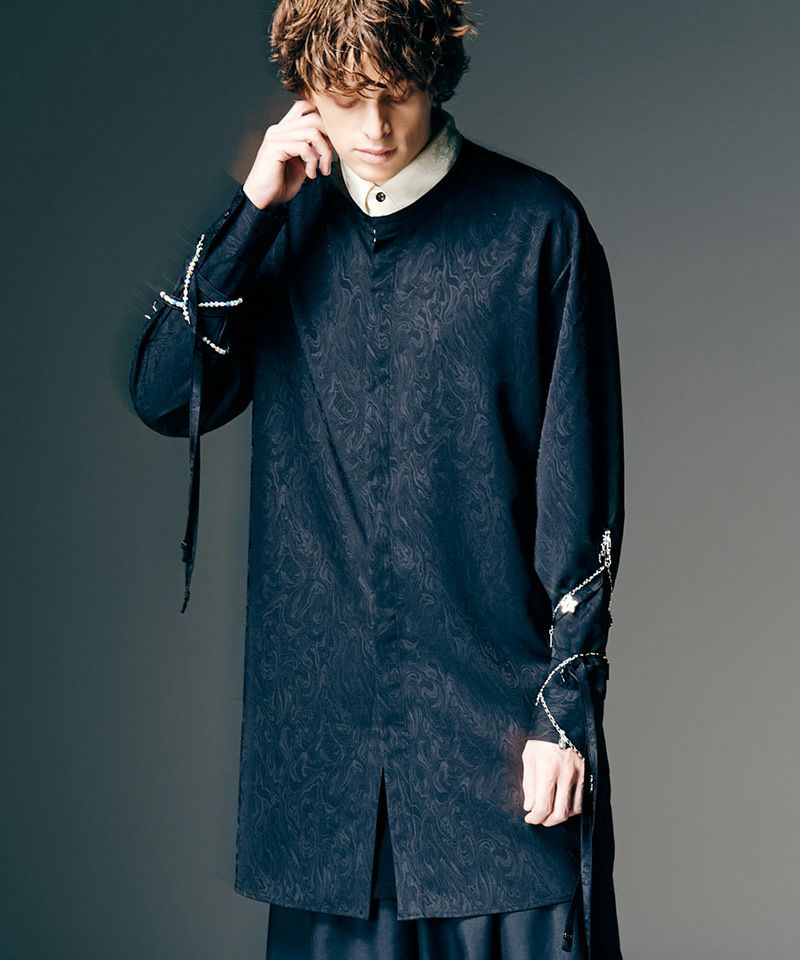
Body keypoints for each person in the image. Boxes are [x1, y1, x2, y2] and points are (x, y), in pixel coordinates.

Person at [128, 1, 626, 957]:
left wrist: (565, 713)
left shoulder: (537, 229)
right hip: (325, 780)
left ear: (435, 75)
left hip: (499, 751)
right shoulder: (284, 230)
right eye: (344, 96)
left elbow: (581, 480)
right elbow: (163, 395)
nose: (374, 127)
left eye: (395, 93)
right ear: (303, 92)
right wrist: (252, 214)